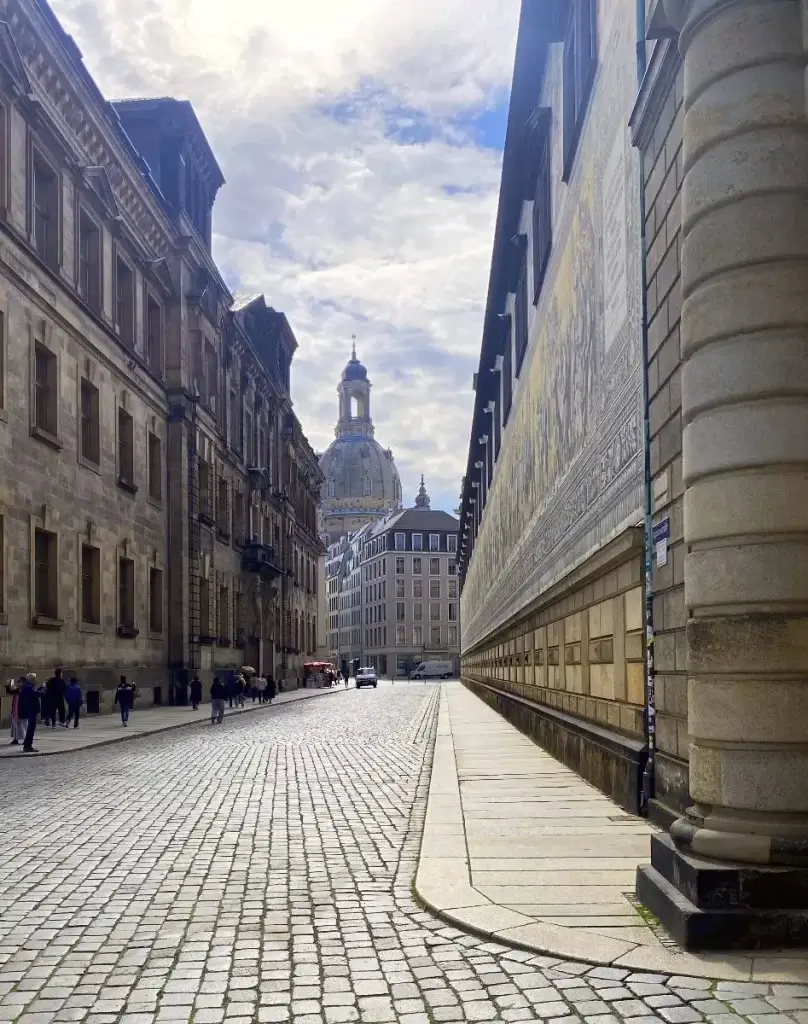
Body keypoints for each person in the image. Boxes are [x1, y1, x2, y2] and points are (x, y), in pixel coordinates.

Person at [19, 674, 40, 753]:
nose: (36, 679)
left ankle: (27, 746)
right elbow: (36, 694)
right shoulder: (28, 687)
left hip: (29, 710)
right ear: (31, 679)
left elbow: (34, 693)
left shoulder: (28, 687)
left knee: (31, 728)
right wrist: (44, 690)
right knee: (31, 729)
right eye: (35, 678)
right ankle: (27, 746)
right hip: (31, 710)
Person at [6, 679, 26, 746]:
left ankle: (25, 740)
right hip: (15, 711)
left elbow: (17, 692)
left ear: (23, 683)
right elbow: (10, 692)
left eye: (20, 682)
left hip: (22, 711)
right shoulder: (17, 690)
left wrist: (14, 688)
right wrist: (8, 686)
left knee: (23, 726)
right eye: (18, 682)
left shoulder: (24, 690)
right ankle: (15, 739)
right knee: (15, 726)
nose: (19, 684)